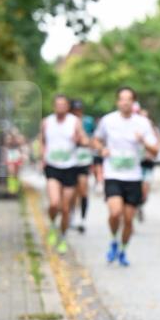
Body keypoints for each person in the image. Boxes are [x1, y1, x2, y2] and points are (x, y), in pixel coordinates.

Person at [92, 87, 158, 267]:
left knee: (128, 219)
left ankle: (122, 249)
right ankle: (113, 239)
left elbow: (156, 149)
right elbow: (96, 139)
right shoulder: (108, 120)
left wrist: (143, 141)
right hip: (113, 174)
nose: (125, 102)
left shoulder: (143, 123)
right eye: (122, 99)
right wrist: (101, 149)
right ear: (117, 102)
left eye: (129, 99)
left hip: (133, 177)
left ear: (134, 102)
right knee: (115, 213)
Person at [40, 94, 87, 255]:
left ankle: (62, 236)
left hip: (70, 167)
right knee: (54, 203)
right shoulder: (46, 122)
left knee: (66, 209)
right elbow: (41, 141)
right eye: (57, 104)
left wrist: (80, 140)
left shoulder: (74, 121)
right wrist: (42, 157)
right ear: (54, 106)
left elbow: (84, 140)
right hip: (52, 166)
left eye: (63, 105)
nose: (60, 107)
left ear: (67, 107)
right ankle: (53, 225)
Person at [70, 99, 95, 232]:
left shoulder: (88, 121)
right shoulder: (67, 122)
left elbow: (94, 139)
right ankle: (72, 216)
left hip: (84, 160)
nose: (77, 113)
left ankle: (82, 219)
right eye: (74, 110)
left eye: (79, 110)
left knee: (83, 189)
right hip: (69, 162)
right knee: (72, 192)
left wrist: (87, 141)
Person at [137, 106, 157, 222]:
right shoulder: (133, 129)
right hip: (136, 165)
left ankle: (141, 205)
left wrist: (150, 151)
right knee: (135, 190)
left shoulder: (152, 130)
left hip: (148, 164)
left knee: (145, 190)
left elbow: (157, 148)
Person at [4, 129, 27, 195]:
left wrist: (23, 156)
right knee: (11, 171)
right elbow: (6, 145)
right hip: (10, 155)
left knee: (16, 172)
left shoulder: (19, 139)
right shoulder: (8, 139)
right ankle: (11, 188)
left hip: (17, 154)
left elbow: (22, 144)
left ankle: (16, 187)